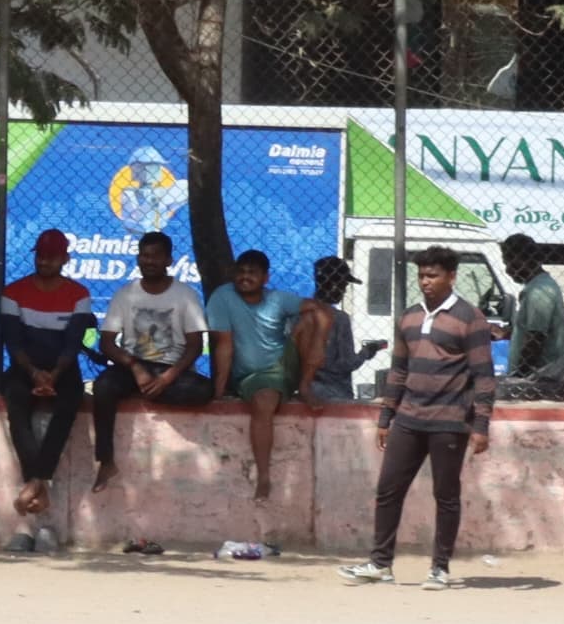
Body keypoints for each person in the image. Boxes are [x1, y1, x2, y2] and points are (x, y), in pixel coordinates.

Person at [344, 244, 498, 589]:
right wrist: (386, 417)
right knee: (387, 490)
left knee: (445, 495)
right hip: (409, 420)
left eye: (433, 275)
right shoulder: (409, 317)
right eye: (422, 275)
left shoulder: (470, 318)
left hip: (450, 421)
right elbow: (398, 371)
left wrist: (481, 425)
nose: (426, 281)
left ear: (451, 276)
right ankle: (381, 564)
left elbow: (484, 376)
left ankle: (439, 568)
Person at [89, 230, 215, 484]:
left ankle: (147, 391)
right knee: (103, 387)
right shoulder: (125, 294)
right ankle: (106, 460)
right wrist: (134, 366)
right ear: (138, 258)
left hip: (170, 369)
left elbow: (194, 345)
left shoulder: (185, 295)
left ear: (169, 260)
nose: (149, 261)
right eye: (144, 255)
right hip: (131, 367)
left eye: (156, 256)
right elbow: (106, 343)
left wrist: (168, 377)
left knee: (204, 391)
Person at [0, 227, 93, 531]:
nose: (44, 262)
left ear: (65, 258)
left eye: (51, 257)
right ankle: (40, 483)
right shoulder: (13, 292)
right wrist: (34, 373)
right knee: (17, 400)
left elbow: (73, 342)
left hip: (63, 369)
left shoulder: (79, 294)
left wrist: (55, 375)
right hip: (26, 367)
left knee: (69, 403)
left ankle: (35, 481)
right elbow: (13, 342)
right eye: (40, 256)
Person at [204, 247, 308, 498]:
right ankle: (264, 476)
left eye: (252, 273)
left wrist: (303, 332)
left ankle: (306, 385)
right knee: (263, 399)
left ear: (265, 278)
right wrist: (218, 390)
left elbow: (321, 311)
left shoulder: (277, 299)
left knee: (316, 318)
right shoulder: (222, 297)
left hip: (284, 366)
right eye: (240, 272)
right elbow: (224, 345)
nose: (245, 277)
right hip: (253, 375)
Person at [497, 233, 564, 384]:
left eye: (509, 262)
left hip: (538, 377)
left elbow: (536, 337)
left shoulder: (539, 291)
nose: (508, 270)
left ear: (525, 259)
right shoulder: (537, 287)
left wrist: (520, 376)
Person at [302, 256, 361, 402]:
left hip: (303, 389)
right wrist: (367, 352)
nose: (344, 291)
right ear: (335, 285)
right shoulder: (340, 319)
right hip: (335, 393)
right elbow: (346, 363)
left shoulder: (299, 312)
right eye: (344, 286)